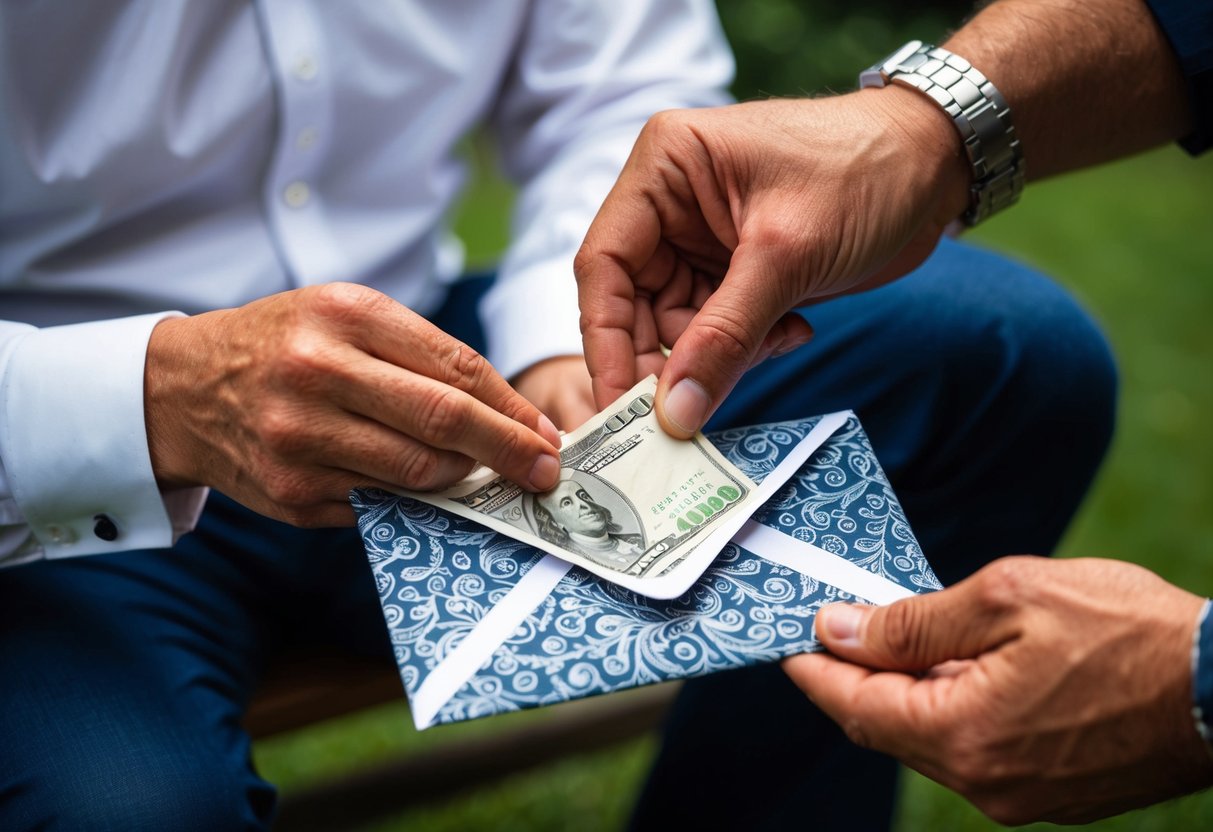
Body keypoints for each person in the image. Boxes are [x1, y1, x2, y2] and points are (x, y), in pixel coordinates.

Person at [0, 3, 736, 828]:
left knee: (903, 336)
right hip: (61, 477)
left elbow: (621, 87)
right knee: (129, 810)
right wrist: (150, 399)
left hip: (451, 360)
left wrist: (562, 333)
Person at [574, 0, 1212, 825]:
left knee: (1007, 343)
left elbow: (600, 101)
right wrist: (919, 130)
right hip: (384, 351)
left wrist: (1196, 680)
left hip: (555, 307)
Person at [532, 475, 645, 570]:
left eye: (583, 496)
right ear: (556, 524)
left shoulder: (638, 539)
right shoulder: (570, 563)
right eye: (567, 503)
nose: (585, 505)